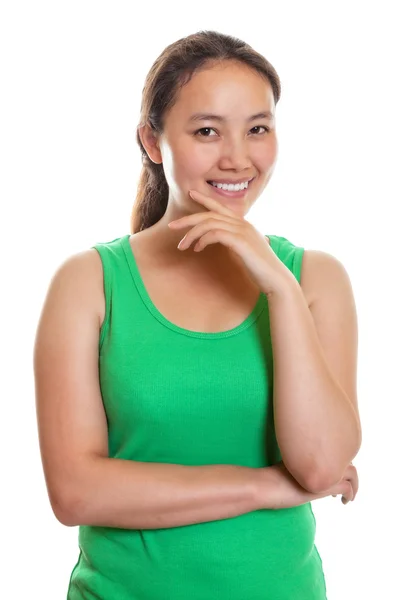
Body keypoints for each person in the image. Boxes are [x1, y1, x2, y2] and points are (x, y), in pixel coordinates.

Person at [34, 30, 361, 600]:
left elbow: (321, 466)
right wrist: (264, 488)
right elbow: (76, 491)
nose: (237, 157)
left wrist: (279, 290)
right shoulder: (89, 284)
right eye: (207, 131)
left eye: (257, 128)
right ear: (153, 142)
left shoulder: (314, 281)